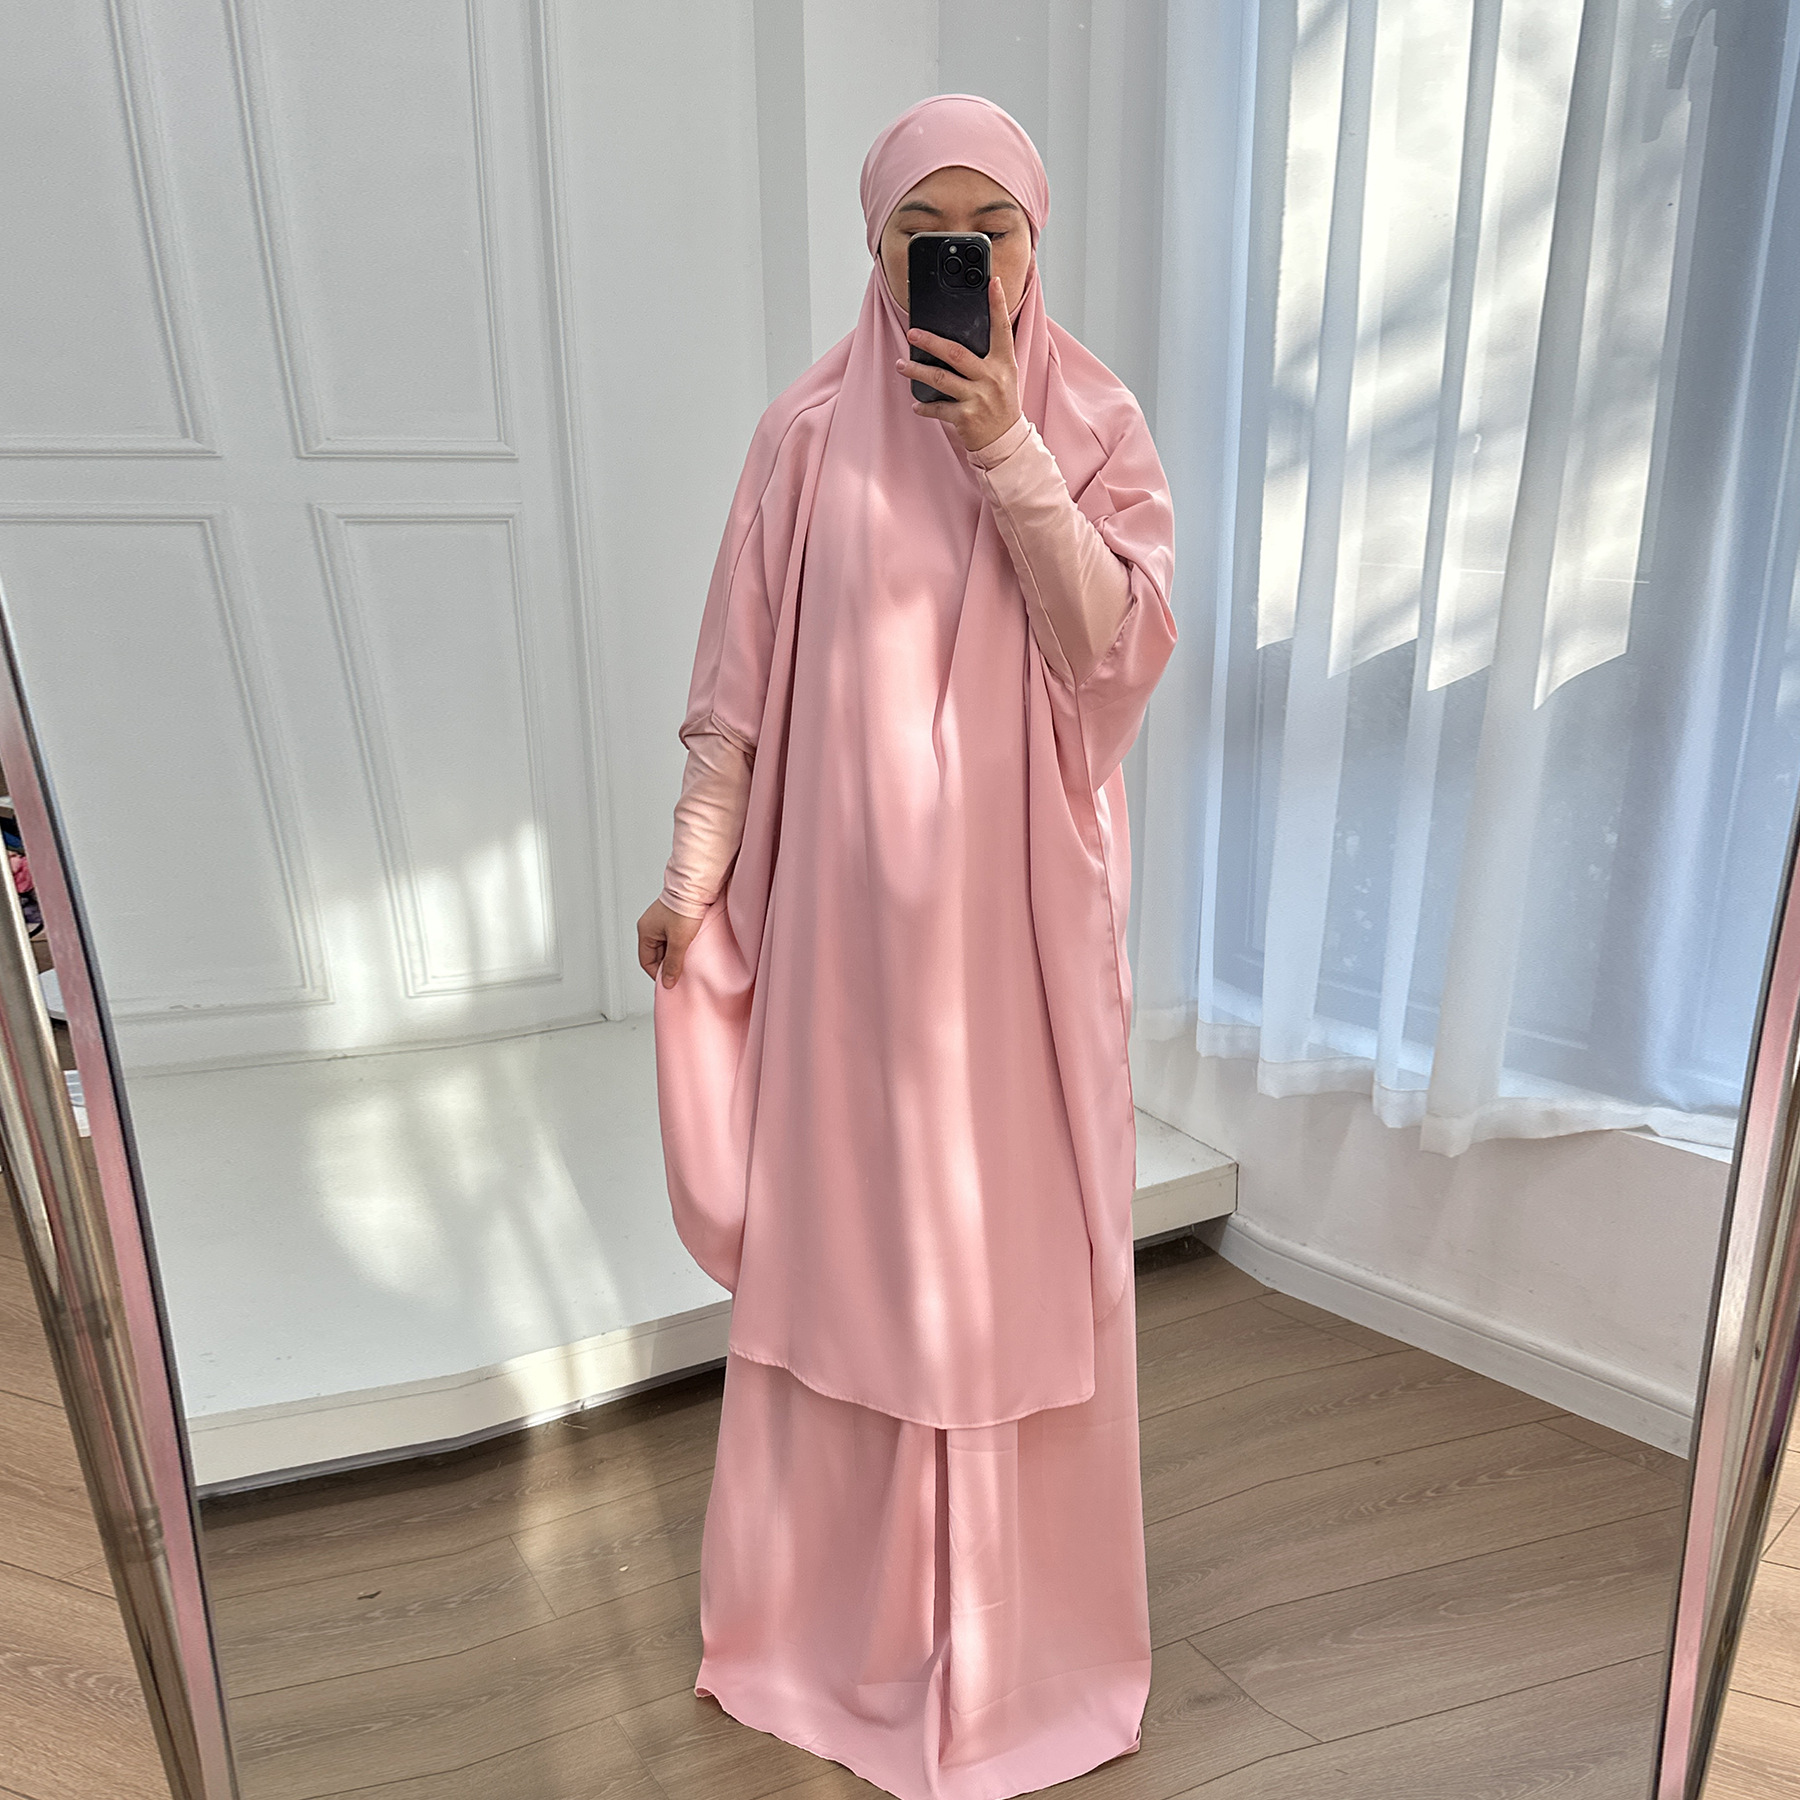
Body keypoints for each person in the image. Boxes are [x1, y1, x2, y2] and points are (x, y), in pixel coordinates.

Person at [637, 94, 1177, 1800]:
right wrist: (691, 886)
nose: (960, 261)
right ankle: (826, 1636)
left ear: (1033, 241)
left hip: (1012, 959)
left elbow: (1113, 651)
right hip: (847, 964)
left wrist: (1007, 447)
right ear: (874, 252)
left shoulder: (1094, 423)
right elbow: (730, 705)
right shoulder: (801, 441)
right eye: (920, 235)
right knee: (854, 1261)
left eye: (989, 231)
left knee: (1003, 1269)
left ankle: (1021, 1656)